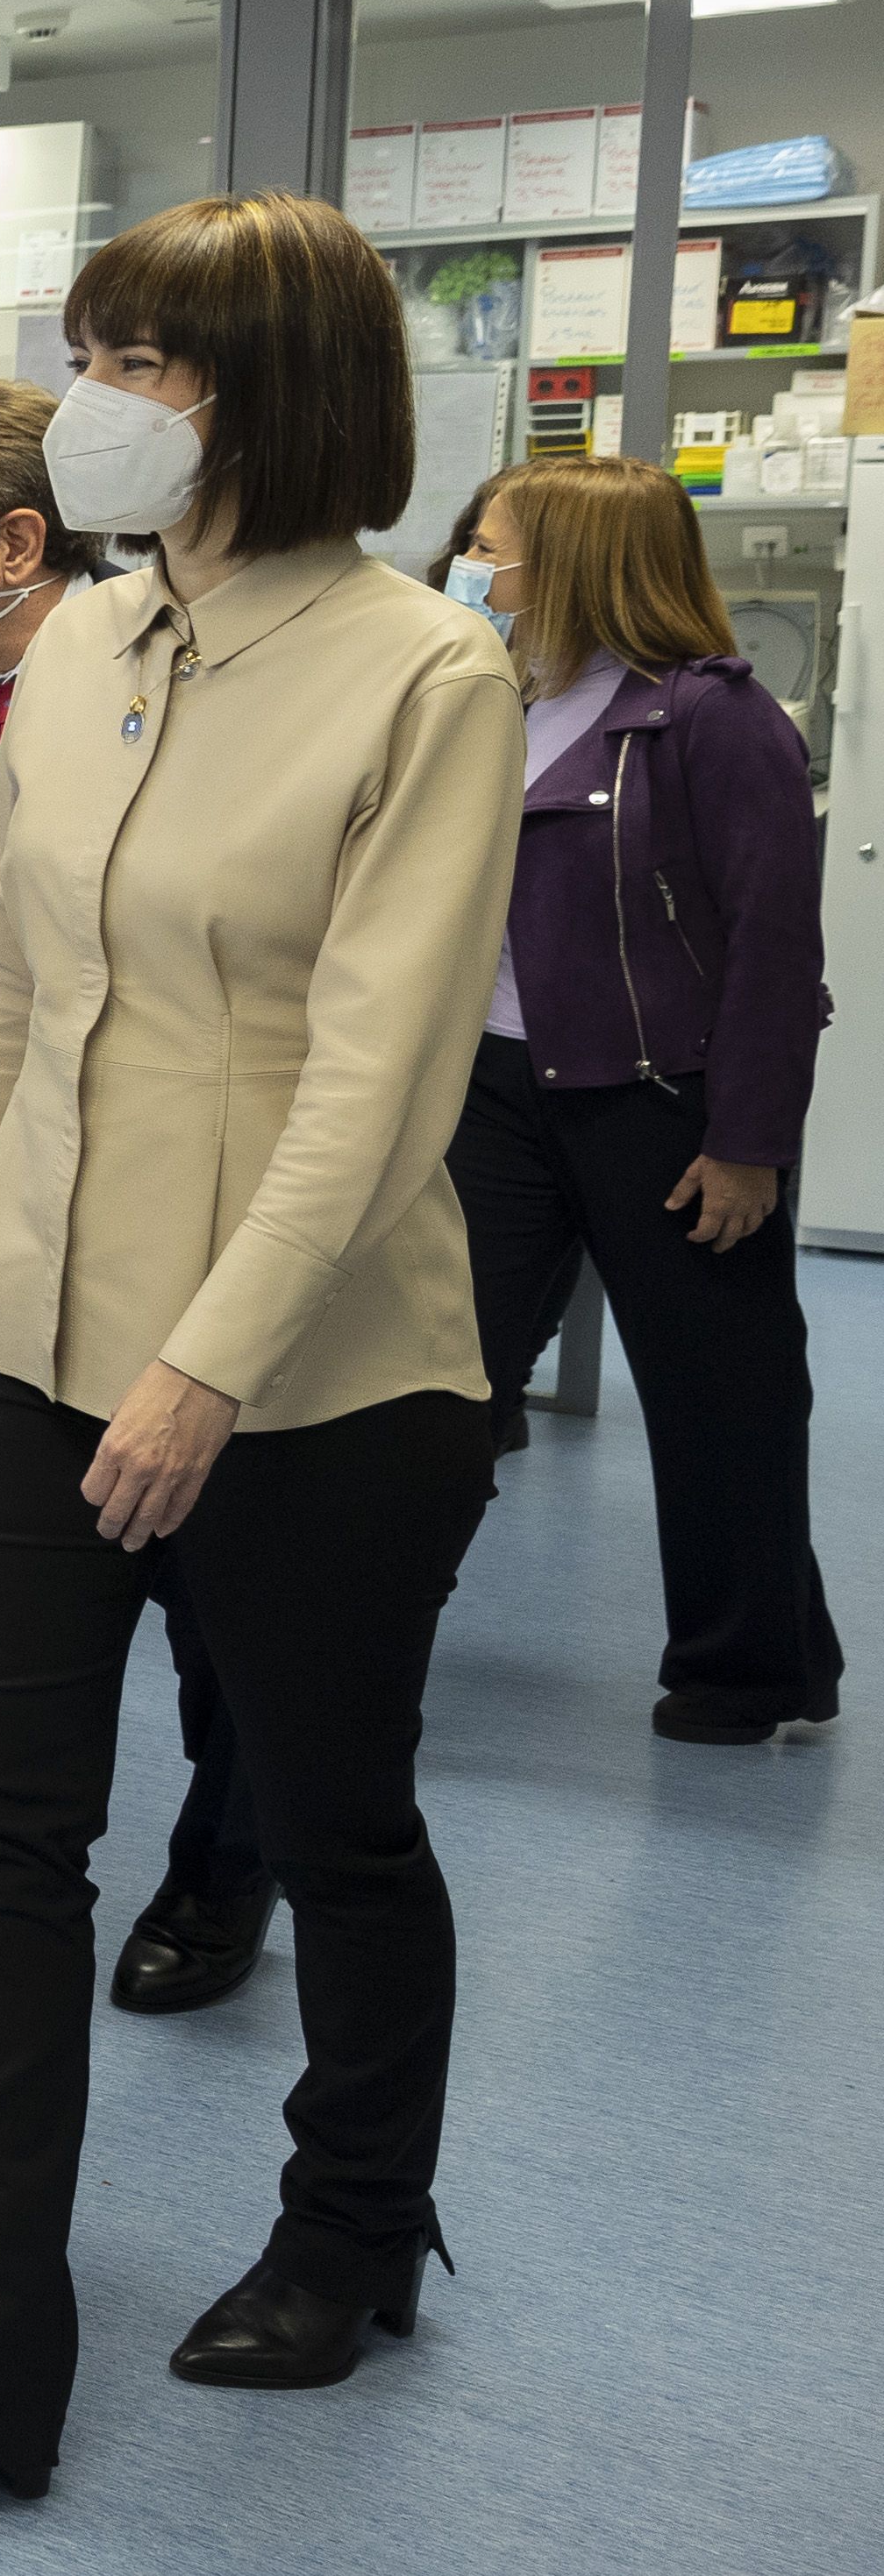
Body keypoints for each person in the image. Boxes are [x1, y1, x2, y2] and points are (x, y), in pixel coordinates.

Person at [0, 194, 523, 2523]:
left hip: (311, 1379)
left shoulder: (417, 676)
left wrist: (196, 1368)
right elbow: (1, 990)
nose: (90, 402)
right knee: (1, 1836)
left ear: (260, 391)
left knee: (325, 1815)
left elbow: (370, 1090)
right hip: (14, 1331)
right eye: (80, 354)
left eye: (134, 363)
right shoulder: (75, 645)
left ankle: (353, 2219)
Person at [0, 382, 270, 2022]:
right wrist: (0, 1089)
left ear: (17, 542)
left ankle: (227, 1872)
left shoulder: (174, 680)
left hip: (190, 1194)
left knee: (218, 1590)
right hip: (9, 1185)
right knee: (40, 1615)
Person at [443, 456, 840, 1744]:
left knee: (719, 1392)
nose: (468, 565)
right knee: (441, 1377)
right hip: (491, 1090)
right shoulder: (480, 693)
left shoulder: (712, 720)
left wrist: (748, 1145)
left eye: (491, 547)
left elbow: (776, 951)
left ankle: (745, 1668)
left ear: (574, 565)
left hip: (661, 1103)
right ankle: (374, 1617)